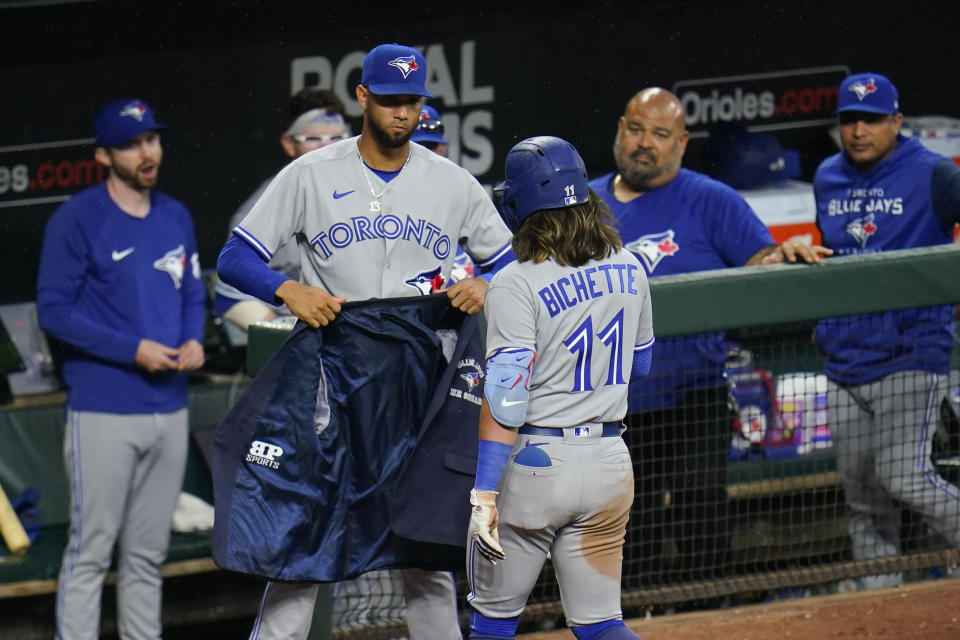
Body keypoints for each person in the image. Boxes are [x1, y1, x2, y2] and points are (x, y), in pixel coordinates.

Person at [217, 43, 514, 640]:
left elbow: (511, 263)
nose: (400, 114)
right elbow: (233, 258)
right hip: (332, 382)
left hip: (417, 387)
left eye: (411, 102)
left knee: (426, 558)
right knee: (300, 551)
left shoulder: (453, 184)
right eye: (388, 101)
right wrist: (285, 289)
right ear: (363, 98)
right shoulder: (310, 173)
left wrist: (488, 284)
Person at [588, 87, 829, 592]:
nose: (644, 144)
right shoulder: (587, 207)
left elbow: (761, 261)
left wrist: (786, 254)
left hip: (693, 393)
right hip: (612, 401)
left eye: (659, 134)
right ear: (619, 129)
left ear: (681, 141)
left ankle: (707, 610)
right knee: (628, 521)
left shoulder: (710, 198)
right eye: (636, 129)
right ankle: (638, 617)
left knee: (701, 507)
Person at [466, 136, 654, 640]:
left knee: (492, 625)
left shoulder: (513, 282)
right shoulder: (630, 266)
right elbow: (642, 365)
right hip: (609, 463)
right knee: (601, 625)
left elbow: (505, 399)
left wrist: (485, 493)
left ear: (519, 206)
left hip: (534, 467)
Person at [36, 98, 206, 639]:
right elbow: (54, 312)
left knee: (146, 557)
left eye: (152, 140)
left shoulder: (175, 214)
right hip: (103, 407)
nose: (147, 152)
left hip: (170, 405)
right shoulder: (77, 218)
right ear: (104, 155)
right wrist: (133, 349)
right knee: (91, 554)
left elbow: (193, 293)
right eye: (132, 144)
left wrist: (195, 341)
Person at [813, 72, 960, 589]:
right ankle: (880, 601)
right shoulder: (827, 176)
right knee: (862, 499)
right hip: (844, 362)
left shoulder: (935, 174)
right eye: (850, 119)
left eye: (872, 119)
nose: (859, 130)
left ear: (896, 121)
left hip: (910, 354)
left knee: (905, 479)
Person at [214, 89, 351, 337]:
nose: (326, 148)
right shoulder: (267, 204)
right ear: (289, 144)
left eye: (336, 138)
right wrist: (287, 339)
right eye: (312, 138)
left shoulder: (373, 195)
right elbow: (229, 296)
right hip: (306, 341)